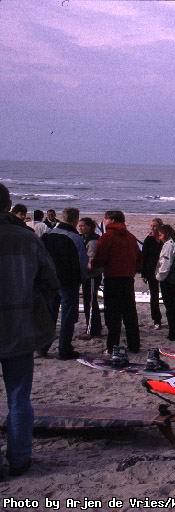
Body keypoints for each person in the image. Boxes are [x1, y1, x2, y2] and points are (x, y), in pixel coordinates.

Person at [0, 183, 60, 478]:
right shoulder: (27, 238)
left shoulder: (27, 237)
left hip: (19, 324)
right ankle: (20, 458)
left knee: (19, 397)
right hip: (20, 327)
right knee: (19, 397)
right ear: (8, 205)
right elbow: (50, 282)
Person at [92, 210, 142, 354]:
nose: (104, 221)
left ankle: (112, 346)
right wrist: (133, 269)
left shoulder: (108, 236)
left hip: (113, 278)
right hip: (127, 279)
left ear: (112, 220)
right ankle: (134, 345)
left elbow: (100, 257)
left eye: (105, 219)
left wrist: (93, 264)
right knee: (129, 313)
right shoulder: (130, 237)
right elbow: (139, 257)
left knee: (113, 315)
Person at [41, 207, 88, 360]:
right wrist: (82, 278)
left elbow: (41, 257)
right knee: (67, 315)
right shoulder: (76, 238)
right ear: (76, 219)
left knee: (50, 313)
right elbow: (82, 262)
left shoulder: (48, 234)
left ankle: (43, 346)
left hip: (50, 280)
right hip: (68, 280)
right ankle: (64, 348)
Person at [76, 217, 103, 340]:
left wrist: (84, 268)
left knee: (90, 302)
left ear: (89, 227)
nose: (80, 228)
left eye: (82, 225)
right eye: (79, 225)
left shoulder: (93, 241)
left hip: (92, 275)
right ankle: (93, 326)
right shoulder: (84, 238)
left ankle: (92, 329)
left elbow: (91, 260)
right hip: (87, 274)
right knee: (89, 301)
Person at [141, 218, 164, 330]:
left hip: (164, 270)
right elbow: (144, 257)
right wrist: (143, 273)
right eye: (152, 226)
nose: (153, 228)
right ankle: (156, 319)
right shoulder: (148, 240)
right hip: (151, 271)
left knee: (166, 295)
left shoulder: (164, 239)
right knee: (154, 295)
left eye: (155, 226)